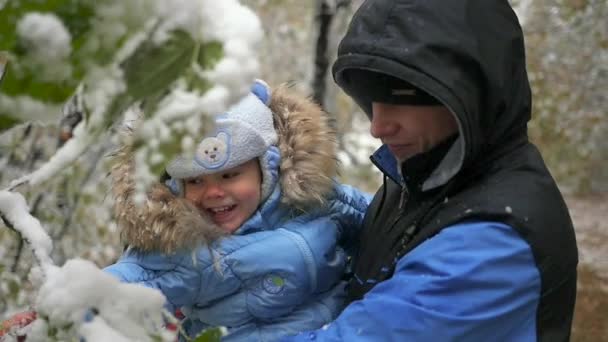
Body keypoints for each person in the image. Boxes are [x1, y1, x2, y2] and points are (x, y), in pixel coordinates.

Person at [284, 0, 578, 341]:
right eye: (370, 97)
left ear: (470, 91)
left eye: (401, 96)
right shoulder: (431, 175)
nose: (378, 126)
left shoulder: (493, 242)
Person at [104, 80, 370, 341]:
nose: (213, 193)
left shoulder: (318, 203)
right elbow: (128, 281)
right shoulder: (183, 248)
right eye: (195, 181)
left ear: (267, 169)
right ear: (177, 187)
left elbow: (384, 221)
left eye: (229, 175)